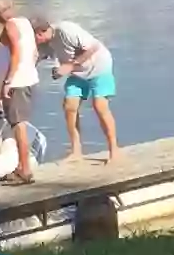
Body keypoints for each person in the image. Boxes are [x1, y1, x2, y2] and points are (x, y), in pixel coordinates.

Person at [32, 12, 121, 164]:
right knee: (69, 106)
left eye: (35, 37)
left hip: (99, 66)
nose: (34, 42)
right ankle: (76, 151)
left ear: (41, 32)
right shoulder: (46, 43)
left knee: (100, 106)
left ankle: (114, 150)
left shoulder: (66, 30)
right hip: (78, 73)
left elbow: (94, 47)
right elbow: (36, 58)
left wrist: (69, 66)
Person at [0, 0, 39, 185]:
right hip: (28, 79)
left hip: (17, 83)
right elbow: (33, 52)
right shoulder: (24, 22)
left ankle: (25, 170)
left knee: (19, 125)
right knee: (19, 124)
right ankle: (21, 167)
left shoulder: (10, 26)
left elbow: (16, 53)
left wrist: (8, 81)